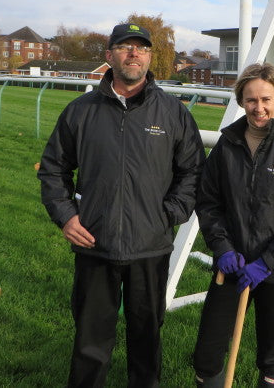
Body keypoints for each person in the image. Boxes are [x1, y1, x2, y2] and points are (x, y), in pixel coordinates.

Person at [38, 23, 205, 388]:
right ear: (109, 55)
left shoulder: (173, 113)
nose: (134, 54)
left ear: (149, 57)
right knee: (90, 339)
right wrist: (66, 217)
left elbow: (193, 172)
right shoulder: (80, 111)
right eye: (125, 46)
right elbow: (53, 170)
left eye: (141, 48)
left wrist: (169, 214)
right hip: (95, 243)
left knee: (146, 336)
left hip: (150, 246)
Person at [193, 63, 274, 388]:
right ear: (241, 101)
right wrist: (222, 248)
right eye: (251, 100)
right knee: (206, 356)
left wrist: (266, 263)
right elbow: (209, 202)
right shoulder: (226, 147)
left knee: (271, 357)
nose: (259, 107)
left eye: (266, 99)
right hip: (232, 265)